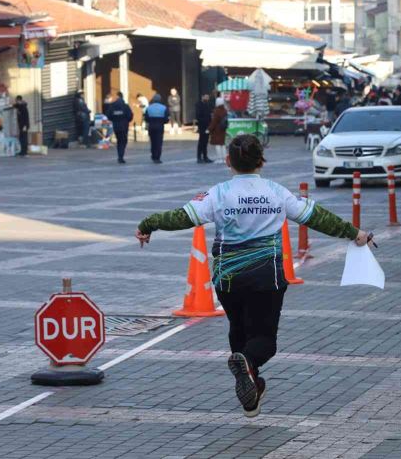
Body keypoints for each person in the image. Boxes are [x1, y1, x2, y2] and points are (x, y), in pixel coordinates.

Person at [135, 134, 373, 417]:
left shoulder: (219, 193)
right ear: (261, 160)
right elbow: (317, 217)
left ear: (228, 161)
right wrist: (354, 233)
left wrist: (148, 223)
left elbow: (181, 217)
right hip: (266, 277)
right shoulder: (277, 192)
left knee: (239, 330)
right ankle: (247, 365)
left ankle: (251, 388)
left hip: (228, 279)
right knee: (264, 340)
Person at [107, 91, 133, 164]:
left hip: (116, 126)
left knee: (119, 141)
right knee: (123, 141)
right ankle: (121, 156)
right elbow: (130, 116)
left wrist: (114, 120)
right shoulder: (125, 106)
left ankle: (120, 156)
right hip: (124, 126)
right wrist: (126, 121)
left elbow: (108, 115)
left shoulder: (112, 106)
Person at [144, 93, 169, 163]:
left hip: (151, 126)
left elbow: (146, 118)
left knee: (153, 142)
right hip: (160, 126)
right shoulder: (164, 107)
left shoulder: (149, 108)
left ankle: (153, 155)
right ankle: (157, 157)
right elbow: (166, 119)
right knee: (159, 142)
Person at [195, 93, 214, 164]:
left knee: (205, 142)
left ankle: (205, 157)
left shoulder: (208, 104)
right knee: (201, 141)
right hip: (202, 126)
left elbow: (210, 114)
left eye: (208, 97)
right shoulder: (198, 104)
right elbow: (198, 116)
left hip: (208, 126)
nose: (207, 98)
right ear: (202, 97)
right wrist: (204, 121)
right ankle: (199, 157)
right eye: (206, 97)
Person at [209, 96, 228, 161]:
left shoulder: (216, 111)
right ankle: (224, 158)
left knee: (217, 145)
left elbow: (214, 122)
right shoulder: (225, 110)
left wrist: (209, 129)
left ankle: (219, 158)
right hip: (223, 129)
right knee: (222, 144)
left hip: (217, 130)